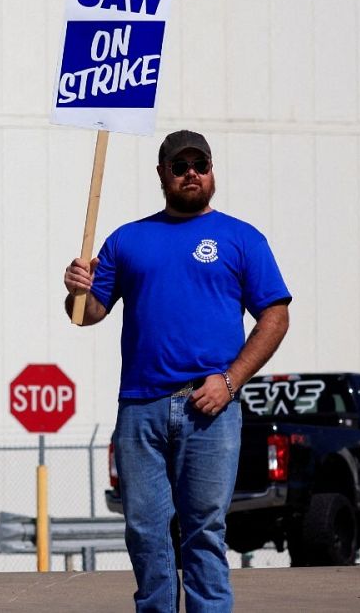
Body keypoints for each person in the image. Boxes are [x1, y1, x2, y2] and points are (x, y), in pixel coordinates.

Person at [62, 130, 291, 613]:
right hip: (140, 408)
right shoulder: (128, 239)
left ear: (212, 171)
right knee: (145, 530)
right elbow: (86, 314)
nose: (192, 173)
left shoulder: (242, 238)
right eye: (180, 165)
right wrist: (76, 288)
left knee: (204, 530)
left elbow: (275, 316)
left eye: (200, 164)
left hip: (208, 407)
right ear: (163, 173)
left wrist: (231, 381)